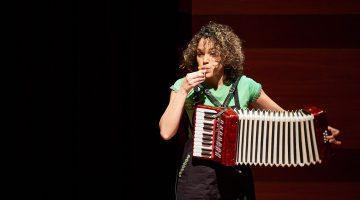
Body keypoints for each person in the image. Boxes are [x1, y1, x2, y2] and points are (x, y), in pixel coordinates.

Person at [159, 21, 341, 200]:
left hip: (236, 175)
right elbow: (166, 132)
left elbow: (287, 119)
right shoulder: (184, 86)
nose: (205, 59)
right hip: (197, 176)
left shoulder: (246, 86)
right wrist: (183, 90)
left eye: (213, 53)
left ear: (226, 56)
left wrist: (320, 134)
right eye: (200, 54)